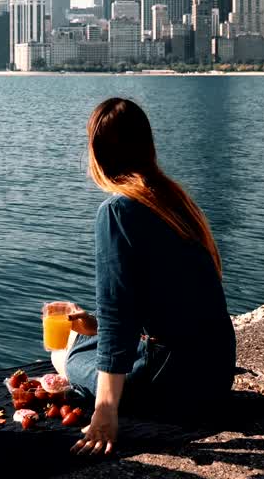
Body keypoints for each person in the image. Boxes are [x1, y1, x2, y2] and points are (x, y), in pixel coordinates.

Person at [54, 97, 236, 456]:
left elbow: (119, 315)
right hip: (216, 370)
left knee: (65, 354)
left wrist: (105, 411)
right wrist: (97, 324)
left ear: (96, 152)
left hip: (177, 384)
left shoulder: (117, 211)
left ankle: (84, 371)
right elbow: (172, 303)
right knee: (90, 338)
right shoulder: (174, 200)